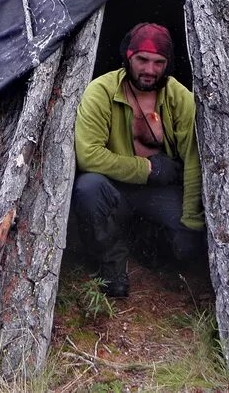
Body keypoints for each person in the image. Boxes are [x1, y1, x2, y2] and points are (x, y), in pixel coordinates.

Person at [71, 22, 204, 299]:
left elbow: (193, 159)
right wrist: (148, 168)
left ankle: (146, 239)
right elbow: (88, 155)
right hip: (114, 188)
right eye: (142, 60)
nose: (149, 70)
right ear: (128, 56)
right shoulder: (102, 92)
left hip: (160, 193)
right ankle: (112, 264)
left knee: (186, 247)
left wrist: (191, 220)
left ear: (167, 64)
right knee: (88, 189)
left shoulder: (179, 98)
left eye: (158, 62)